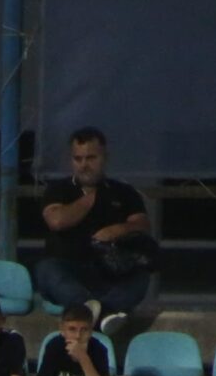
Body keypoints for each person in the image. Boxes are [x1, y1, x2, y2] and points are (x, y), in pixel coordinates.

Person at [36, 127, 153, 341]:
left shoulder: (123, 192)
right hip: (68, 269)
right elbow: (57, 220)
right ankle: (100, 314)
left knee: (141, 275)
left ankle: (98, 311)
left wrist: (117, 230)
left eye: (91, 158)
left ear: (104, 157)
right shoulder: (58, 189)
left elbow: (143, 225)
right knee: (46, 270)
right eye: (78, 158)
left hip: (108, 272)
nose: (84, 164)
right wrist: (91, 198)